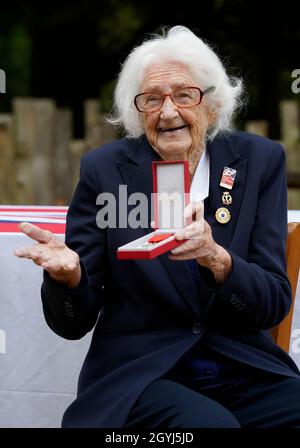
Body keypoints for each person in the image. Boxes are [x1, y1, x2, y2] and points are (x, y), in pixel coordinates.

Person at [15, 25, 300, 428]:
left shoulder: (258, 161)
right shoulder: (104, 171)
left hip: (241, 367)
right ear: (137, 111)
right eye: (152, 100)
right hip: (139, 375)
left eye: (184, 95)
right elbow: (72, 324)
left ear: (212, 105)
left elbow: (272, 301)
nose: (168, 112)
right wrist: (69, 277)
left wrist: (218, 259)